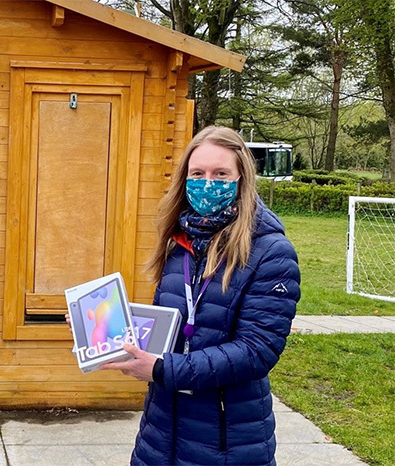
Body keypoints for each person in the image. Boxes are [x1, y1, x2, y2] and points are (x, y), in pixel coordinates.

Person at [100, 126, 301, 465]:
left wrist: (164, 370)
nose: (208, 183)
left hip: (226, 437)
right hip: (161, 431)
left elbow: (257, 351)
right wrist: (102, 324)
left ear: (241, 180)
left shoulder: (271, 253)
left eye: (221, 173)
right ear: (185, 179)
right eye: (198, 173)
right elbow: (172, 326)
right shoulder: (180, 243)